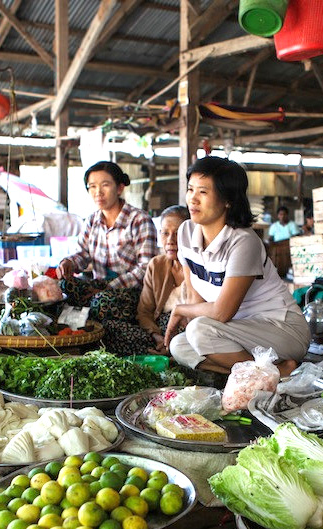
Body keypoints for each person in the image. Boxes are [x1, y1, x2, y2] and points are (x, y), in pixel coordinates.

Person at [166, 157, 309, 376]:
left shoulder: (244, 241)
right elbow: (197, 303)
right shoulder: (186, 232)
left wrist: (179, 310)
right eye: (190, 189)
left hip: (281, 329)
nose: (192, 199)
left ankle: (272, 372)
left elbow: (221, 313)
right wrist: (188, 313)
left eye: (203, 192)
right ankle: (276, 371)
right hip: (236, 333)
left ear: (228, 200)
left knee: (199, 331)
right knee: (180, 346)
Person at [56, 161, 156, 353]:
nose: (98, 192)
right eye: (92, 186)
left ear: (119, 188)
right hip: (99, 286)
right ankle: (72, 340)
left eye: (105, 185)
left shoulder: (139, 220)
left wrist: (108, 287)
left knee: (101, 302)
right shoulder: (92, 220)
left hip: (131, 291)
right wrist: (68, 263)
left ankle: (97, 343)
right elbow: (83, 254)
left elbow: (145, 269)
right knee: (63, 287)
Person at [136, 206, 190, 355]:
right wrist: (158, 337)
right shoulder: (156, 265)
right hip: (158, 333)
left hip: (188, 335)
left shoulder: (199, 268)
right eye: (165, 233)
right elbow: (144, 312)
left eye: (178, 233)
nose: (170, 240)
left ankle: (174, 353)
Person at [265, 205, 301, 279]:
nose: (282, 216)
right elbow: (271, 239)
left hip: (289, 248)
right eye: (280, 214)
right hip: (278, 249)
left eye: (284, 214)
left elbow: (297, 238)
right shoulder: (274, 226)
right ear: (278, 216)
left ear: (287, 215)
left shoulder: (292, 225)